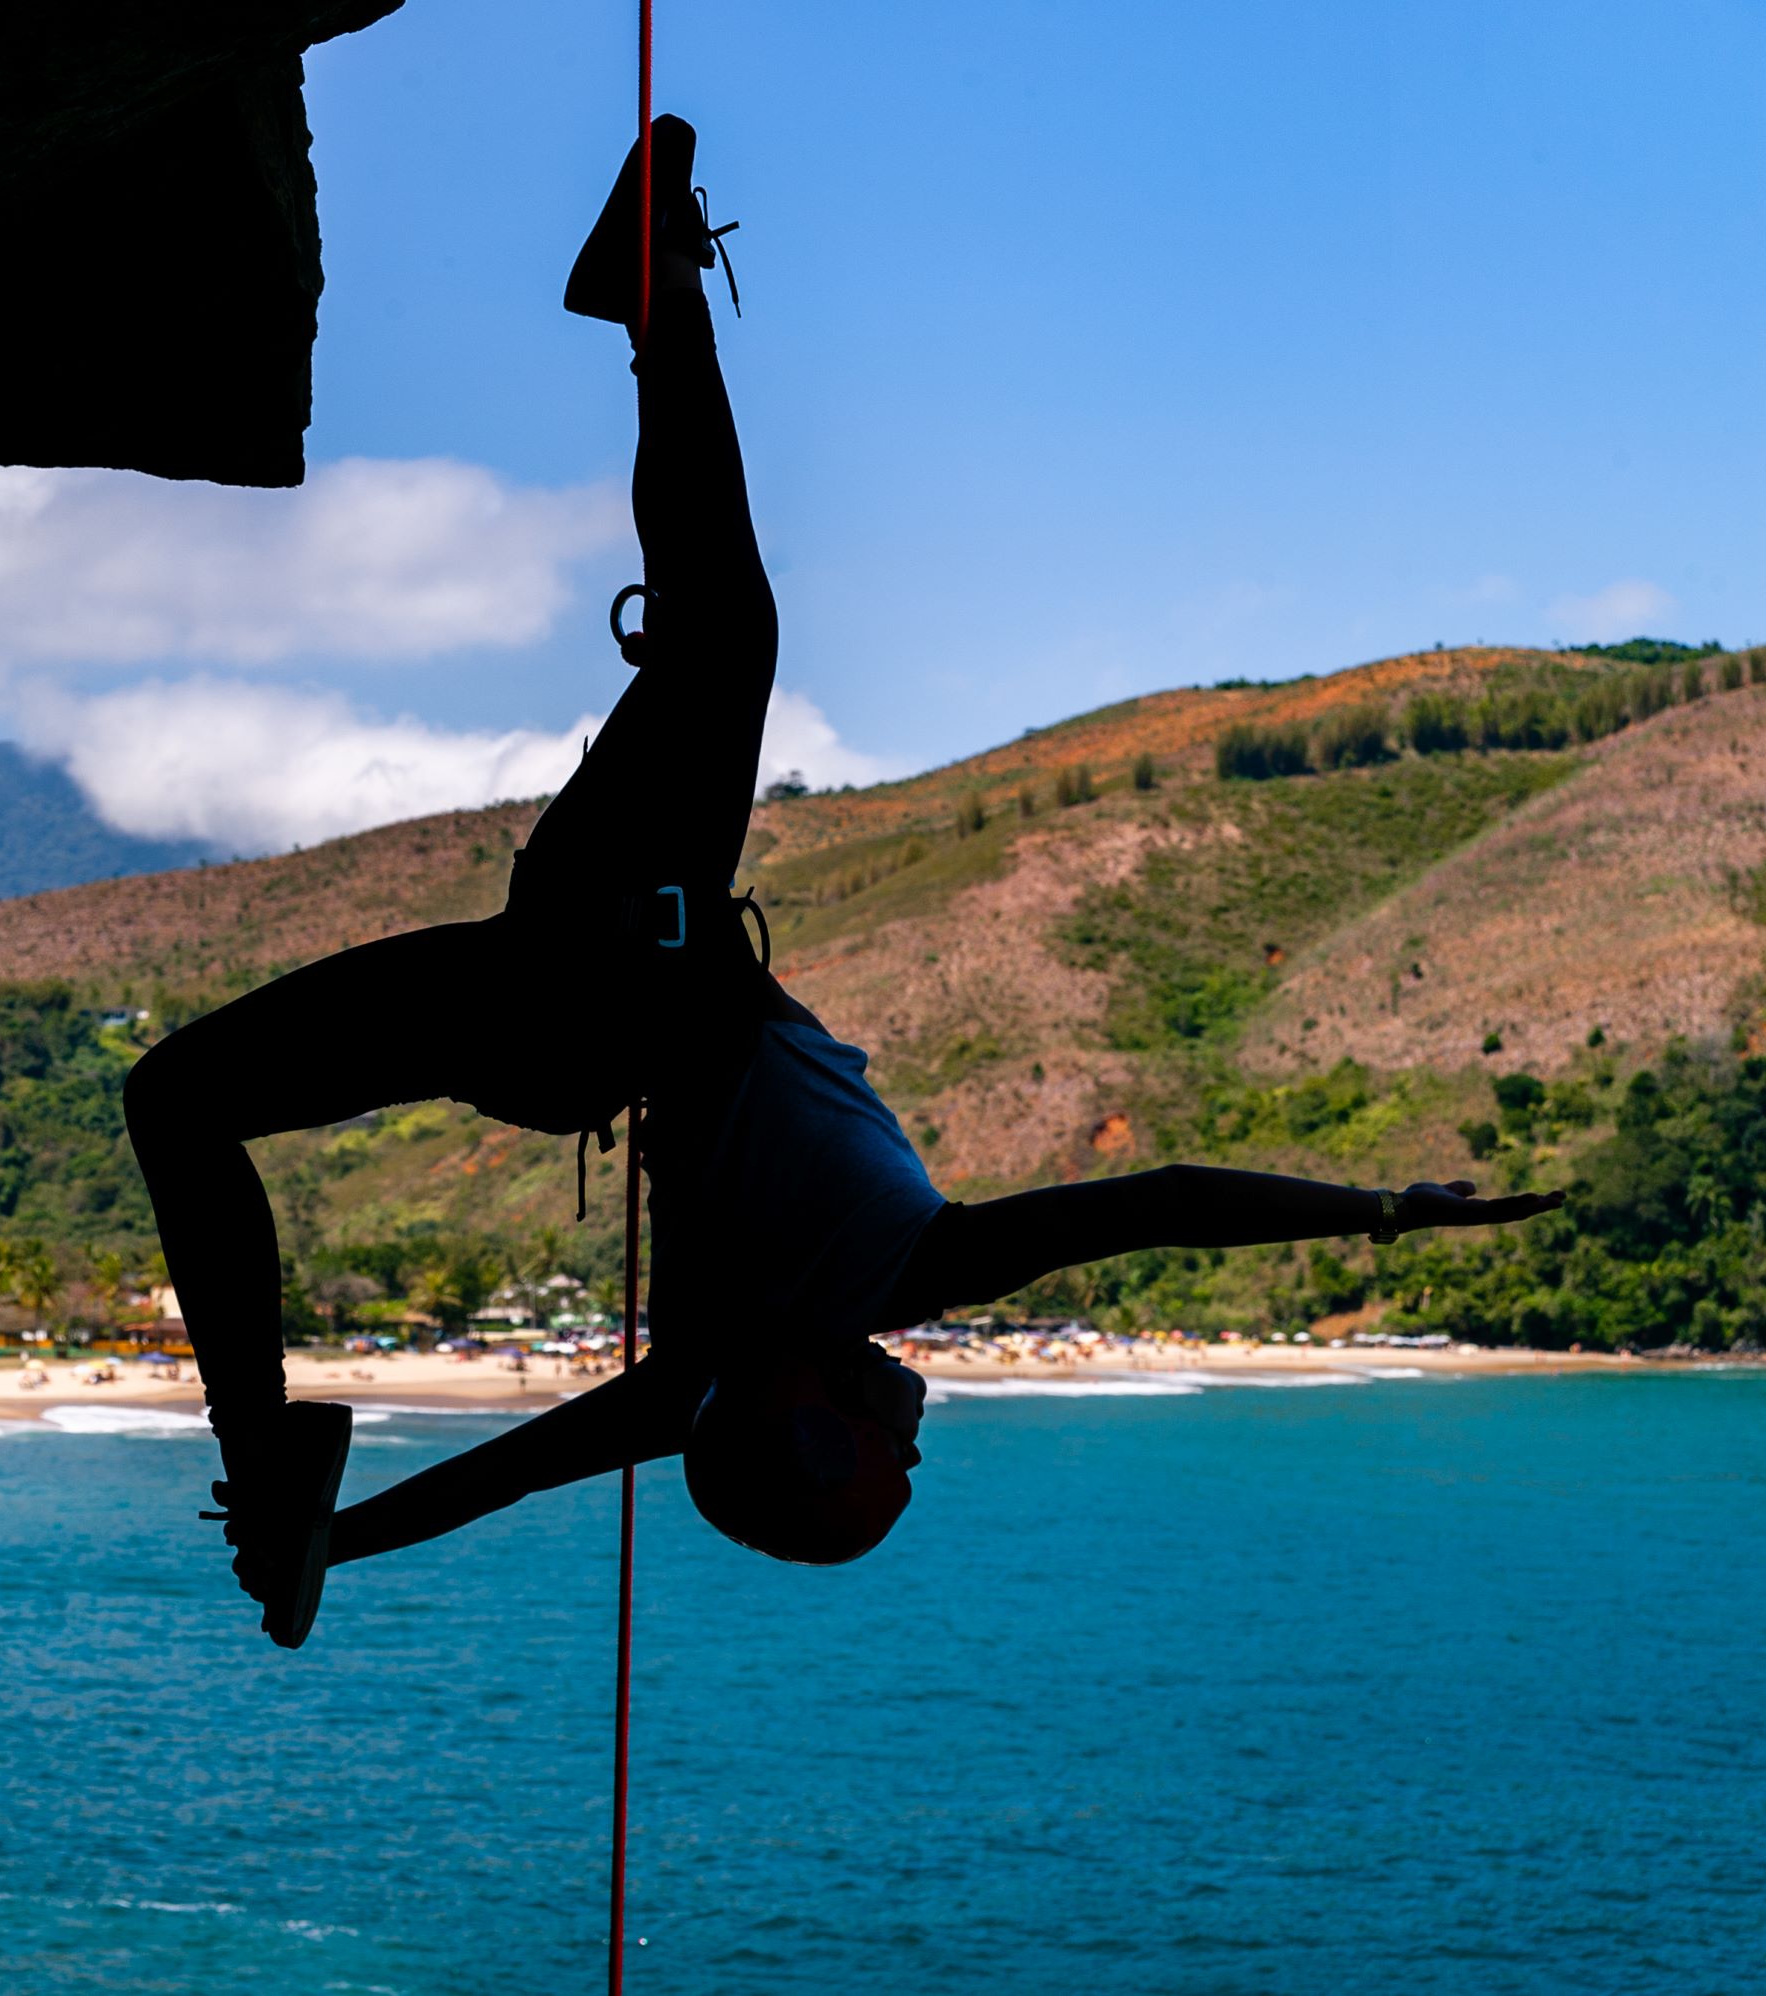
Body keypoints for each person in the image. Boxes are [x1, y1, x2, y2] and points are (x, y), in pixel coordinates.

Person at [122, 117, 1563, 1652]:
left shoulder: (887, 1270)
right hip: (569, 1004)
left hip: (618, 980)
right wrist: (322, 1541)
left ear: (813, 1427)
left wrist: (1387, 1214)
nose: (917, 1423)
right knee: (180, 1098)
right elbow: (512, 1477)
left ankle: (650, 289)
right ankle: (260, 1461)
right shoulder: (708, 1373)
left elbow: (1159, 1203)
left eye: (893, 1448)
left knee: (726, 632)